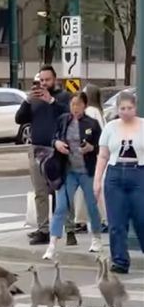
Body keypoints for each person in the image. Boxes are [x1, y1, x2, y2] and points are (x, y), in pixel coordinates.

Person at [15, 65, 74, 245]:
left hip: (57, 150)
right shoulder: (34, 100)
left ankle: (68, 229)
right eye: (41, 80)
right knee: (40, 192)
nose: (44, 83)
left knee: (60, 191)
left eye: (47, 80)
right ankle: (43, 230)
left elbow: (70, 115)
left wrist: (51, 101)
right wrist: (27, 101)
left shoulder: (63, 97)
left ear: (54, 80)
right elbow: (19, 119)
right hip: (37, 149)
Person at [43, 92, 102, 260]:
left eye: (79, 104)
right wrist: (57, 143)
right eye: (73, 104)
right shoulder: (63, 120)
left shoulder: (92, 124)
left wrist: (91, 148)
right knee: (61, 206)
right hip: (68, 170)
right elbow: (53, 138)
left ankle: (96, 238)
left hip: (86, 171)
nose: (75, 108)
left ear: (85, 105)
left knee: (91, 205)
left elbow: (101, 146)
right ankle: (52, 244)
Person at [94, 91, 144, 273]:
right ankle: (120, 260)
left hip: (138, 172)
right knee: (116, 222)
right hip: (115, 174)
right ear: (117, 109)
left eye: (129, 108)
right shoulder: (110, 127)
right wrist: (97, 180)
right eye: (122, 108)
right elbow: (103, 156)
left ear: (135, 107)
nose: (126, 111)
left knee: (141, 219)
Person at [75, 83, 107, 233]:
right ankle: (90, 219)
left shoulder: (90, 112)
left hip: (89, 157)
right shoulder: (99, 111)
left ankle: (85, 220)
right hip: (98, 155)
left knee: (86, 190)